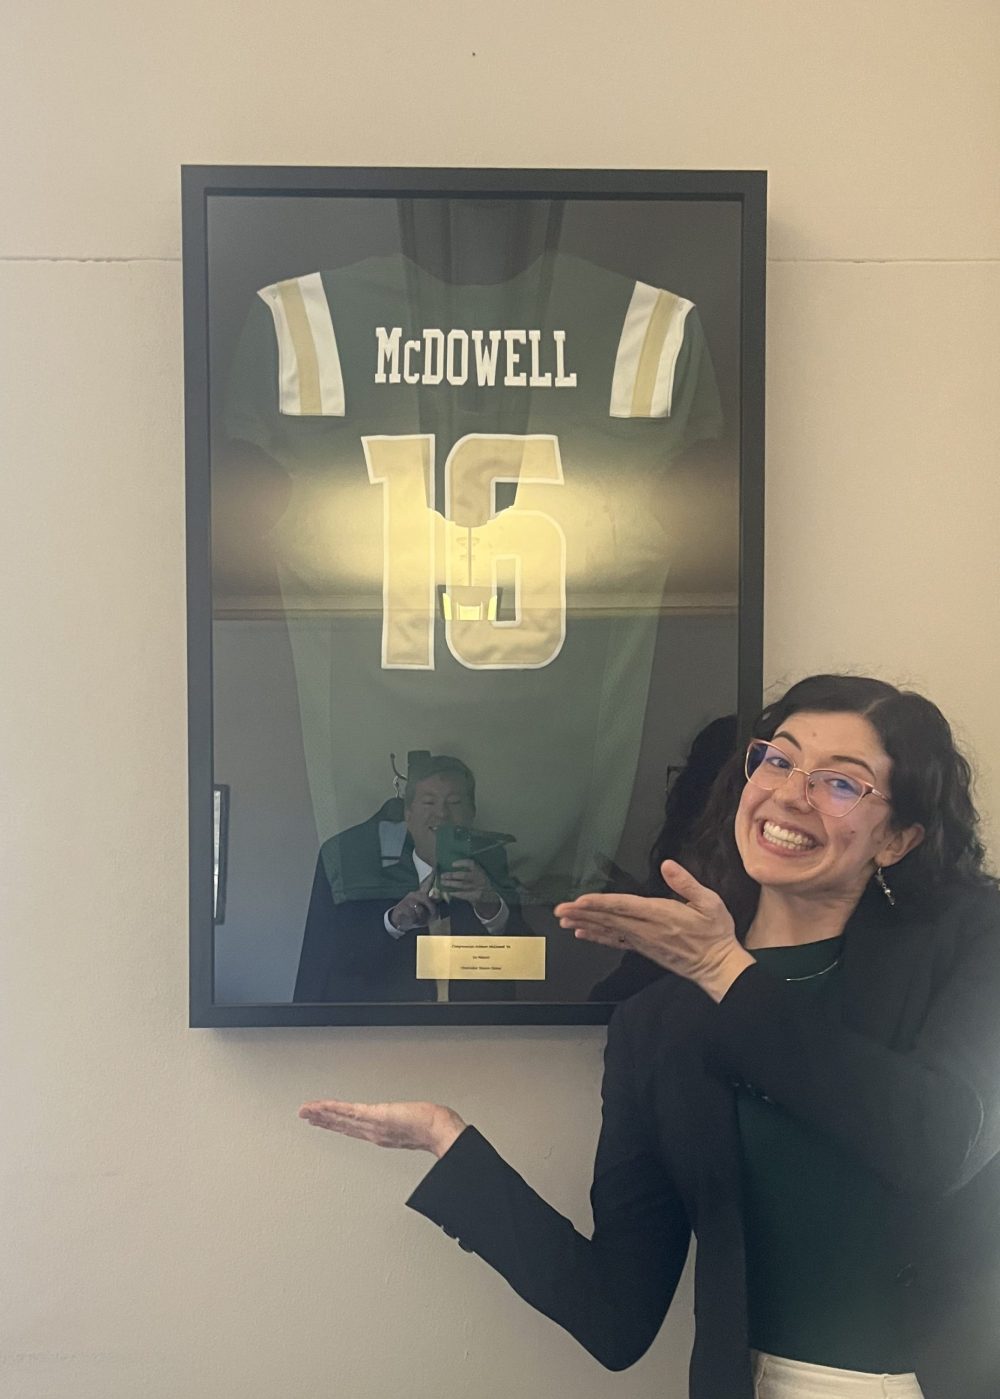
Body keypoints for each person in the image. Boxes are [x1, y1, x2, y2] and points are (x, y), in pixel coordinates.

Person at [298, 675, 1000, 1398]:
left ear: (897, 838)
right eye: (778, 760)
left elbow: (942, 1142)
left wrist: (726, 970)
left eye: (841, 783)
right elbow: (614, 1315)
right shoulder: (657, 1021)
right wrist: (447, 1140)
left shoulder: (972, 944)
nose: (791, 794)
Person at [293, 753, 523, 1003]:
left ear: (471, 814)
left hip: (481, 1025)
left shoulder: (493, 871)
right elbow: (332, 966)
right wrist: (394, 923)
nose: (442, 813)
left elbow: (529, 966)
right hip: (391, 1025)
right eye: (429, 802)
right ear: (408, 815)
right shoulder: (364, 879)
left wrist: (490, 908)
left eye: (455, 802)